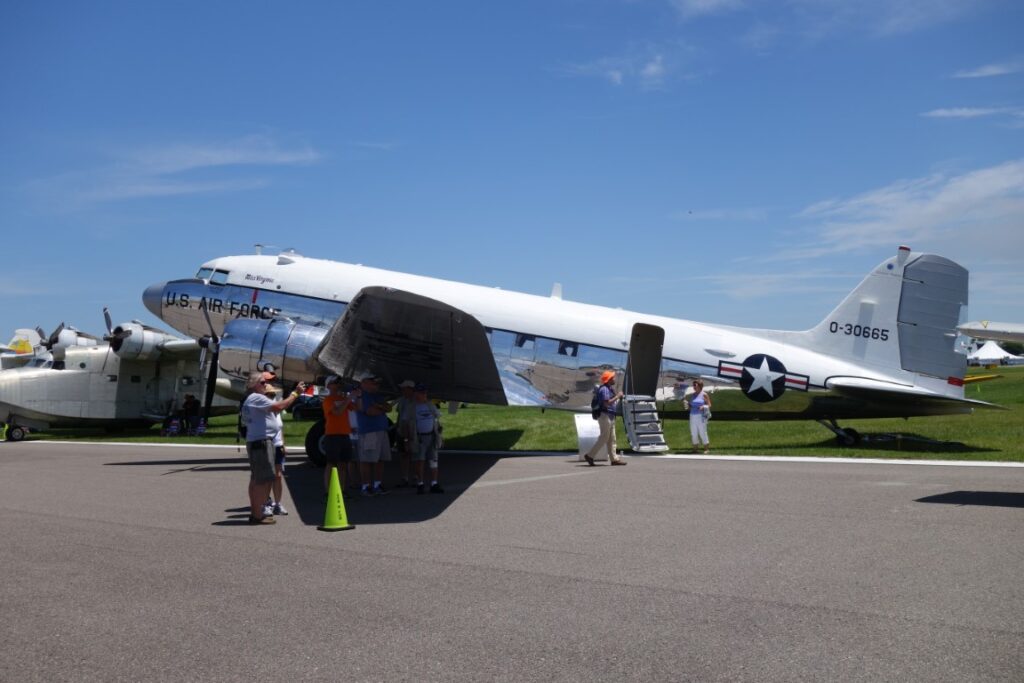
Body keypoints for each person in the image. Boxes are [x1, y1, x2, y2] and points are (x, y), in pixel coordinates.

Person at [241, 372, 306, 524]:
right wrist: (295, 393)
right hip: (262, 443)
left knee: (257, 479)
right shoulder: (256, 397)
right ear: (253, 384)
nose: (266, 385)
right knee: (262, 481)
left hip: (259, 442)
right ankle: (258, 515)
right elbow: (279, 406)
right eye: (263, 382)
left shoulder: (252, 398)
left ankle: (256, 513)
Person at [353, 373, 392, 496]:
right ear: (363, 383)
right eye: (372, 382)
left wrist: (379, 406)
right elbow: (370, 412)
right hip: (369, 432)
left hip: (381, 431)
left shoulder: (376, 396)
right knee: (367, 460)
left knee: (380, 459)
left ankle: (377, 484)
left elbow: (389, 408)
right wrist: (382, 408)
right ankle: (366, 486)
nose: (376, 385)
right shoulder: (362, 396)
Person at [321, 375, 355, 497]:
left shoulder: (343, 398)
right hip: (332, 434)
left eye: (339, 382)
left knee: (343, 464)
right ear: (328, 385)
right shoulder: (328, 400)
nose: (338, 384)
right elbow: (337, 412)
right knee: (331, 464)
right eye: (335, 382)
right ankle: (328, 491)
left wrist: (357, 396)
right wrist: (348, 398)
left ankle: (341, 490)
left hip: (345, 434)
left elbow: (357, 408)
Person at [584, 370, 627, 466]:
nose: (614, 379)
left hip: (610, 416)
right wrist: (618, 396)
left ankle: (614, 459)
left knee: (612, 439)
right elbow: (606, 403)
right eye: (613, 377)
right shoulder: (604, 389)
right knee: (604, 438)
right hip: (605, 416)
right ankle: (590, 455)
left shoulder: (609, 388)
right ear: (609, 380)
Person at [412, 384, 444, 494]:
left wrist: (439, 434)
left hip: (432, 436)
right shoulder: (413, 407)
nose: (424, 395)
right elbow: (407, 424)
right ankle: (420, 484)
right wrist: (407, 439)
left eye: (425, 393)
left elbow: (437, 417)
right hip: (419, 438)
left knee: (433, 460)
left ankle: (434, 483)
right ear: (416, 394)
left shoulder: (430, 405)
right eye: (421, 393)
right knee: (419, 461)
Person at [263, 383, 288, 516]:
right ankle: (265, 503)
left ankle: (277, 504)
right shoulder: (264, 408)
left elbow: (280, 427)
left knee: (278, 476)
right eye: (270, 395)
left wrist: (283, 444)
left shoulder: (276, 409)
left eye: (273, 395)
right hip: (267, 444)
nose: (272, 397)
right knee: (268, 476)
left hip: (278, 445)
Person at [393, 379, 417, 487]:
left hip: (413, 430)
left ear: (410, 389)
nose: (402, 390)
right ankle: (405, 477)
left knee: (414, 454)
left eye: (404, 388)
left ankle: (416, 476)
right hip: (402, 429)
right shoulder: (402, 400)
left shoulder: (417, 401)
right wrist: (398, 426)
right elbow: (400, 414)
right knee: (403, 454)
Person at [685, 379, 712, 454]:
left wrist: (703, 406)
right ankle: (695, 449)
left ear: (700, 386)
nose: (693, 386)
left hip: (701, 416)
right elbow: (691, 405)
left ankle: (706, 449)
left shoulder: (704, 394)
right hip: (692, 415)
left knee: (702, 432)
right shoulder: (693, 395)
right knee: (693, 432)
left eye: (695, 385)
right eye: (693, 385)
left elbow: (709, 404)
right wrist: (687, 404)